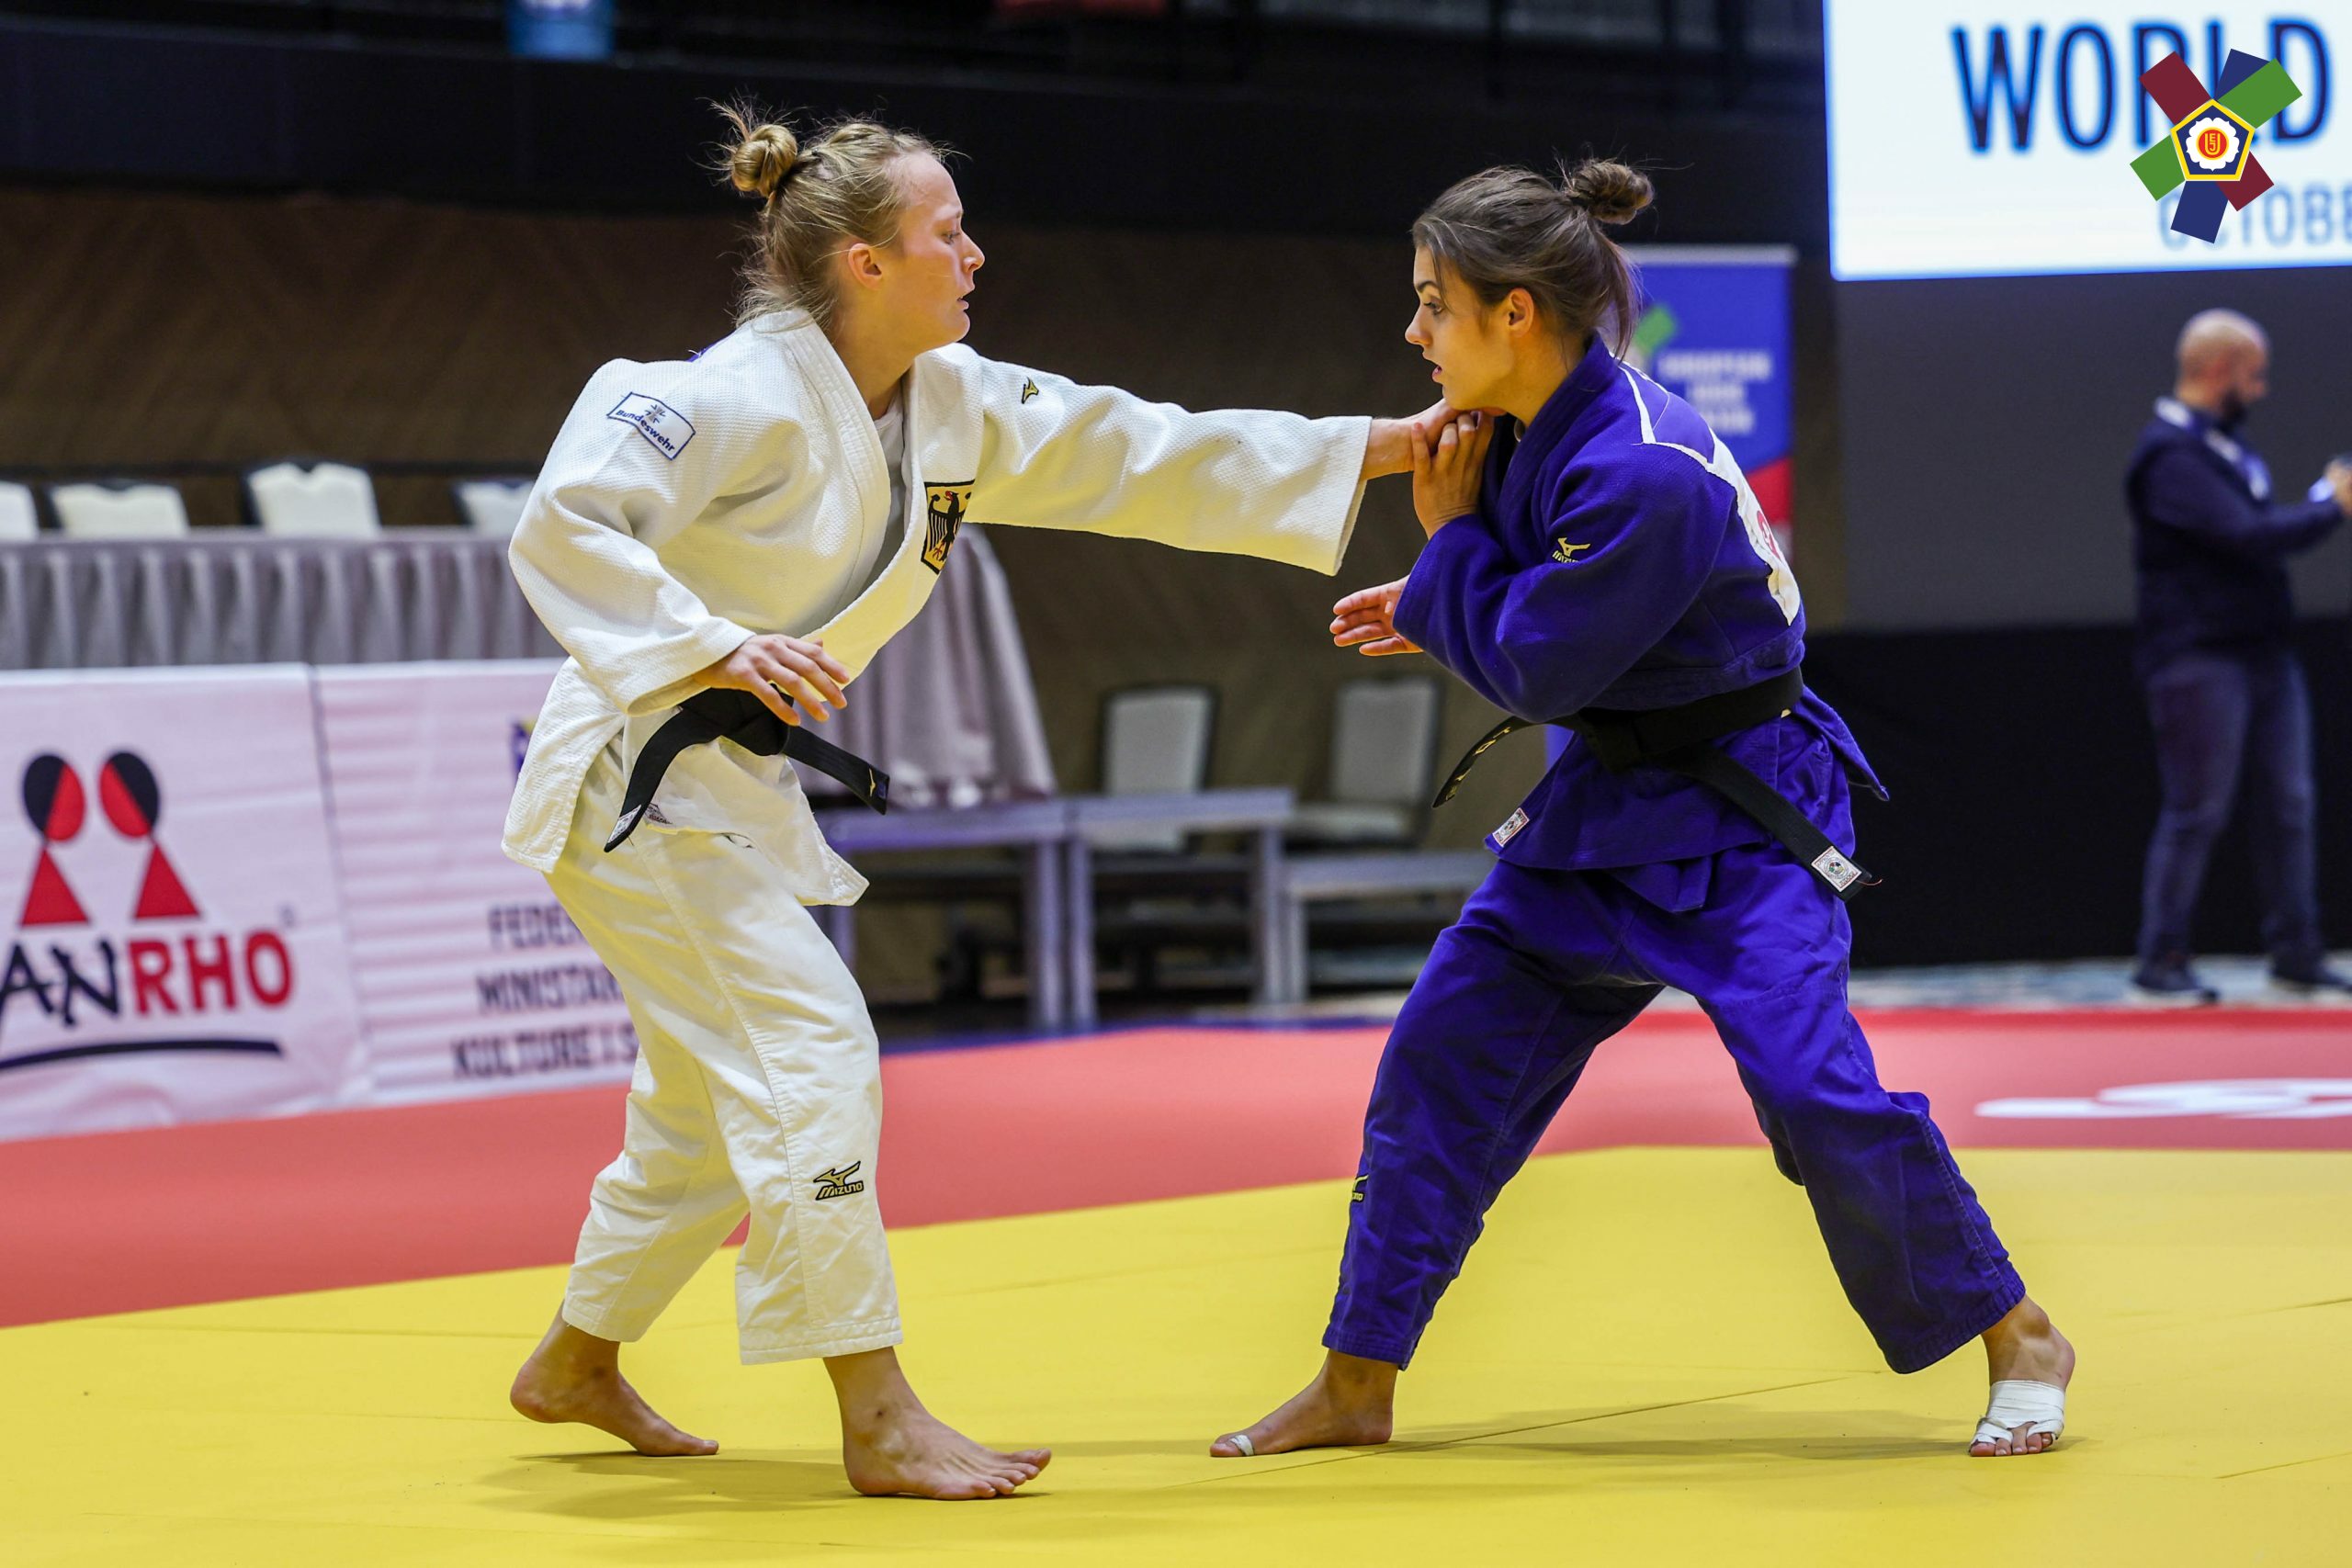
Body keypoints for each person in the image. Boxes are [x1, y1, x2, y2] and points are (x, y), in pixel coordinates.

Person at [498, 108, 1436, 1500]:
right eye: (948, 232)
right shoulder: (719, 392)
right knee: (812, 1052)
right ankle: (874, 1409)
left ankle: (575, 1356)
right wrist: (703, 638)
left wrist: (1382, 446)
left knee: (704, 1112)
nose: (975, 253)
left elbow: (1143, 451)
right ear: (866, 263)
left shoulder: (951, 403)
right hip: (636, 784)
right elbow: (565, 514)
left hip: (728, 792)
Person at [1211, 159, 2075, 1464]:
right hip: (1601, 810)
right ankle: (1356, 1375)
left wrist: (1445, 562)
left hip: (1745, 813)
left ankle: (2019, 1331)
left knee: (1811, 1089)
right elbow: (1536, 623)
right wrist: (1445, 585)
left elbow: (1541, 663)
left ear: (1515, 314)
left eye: (1431, 304)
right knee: (1439, 1061)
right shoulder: (1508, 431)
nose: (1412, 332)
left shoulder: (1641, 467)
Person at [2127, 309, 2352, 1003]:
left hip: (2263, 653)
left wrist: (2321, 502)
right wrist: (2332, 506)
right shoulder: (2169, 456)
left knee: (2290, 803)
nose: (2260, 389)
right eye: (2253, 374)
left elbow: (2254, 532)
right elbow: (2246, 536)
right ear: (2217, 369)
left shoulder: (2226, 448)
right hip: (2199, 657)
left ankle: (2296, 952)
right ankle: (2159, 961)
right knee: (2198, 808)